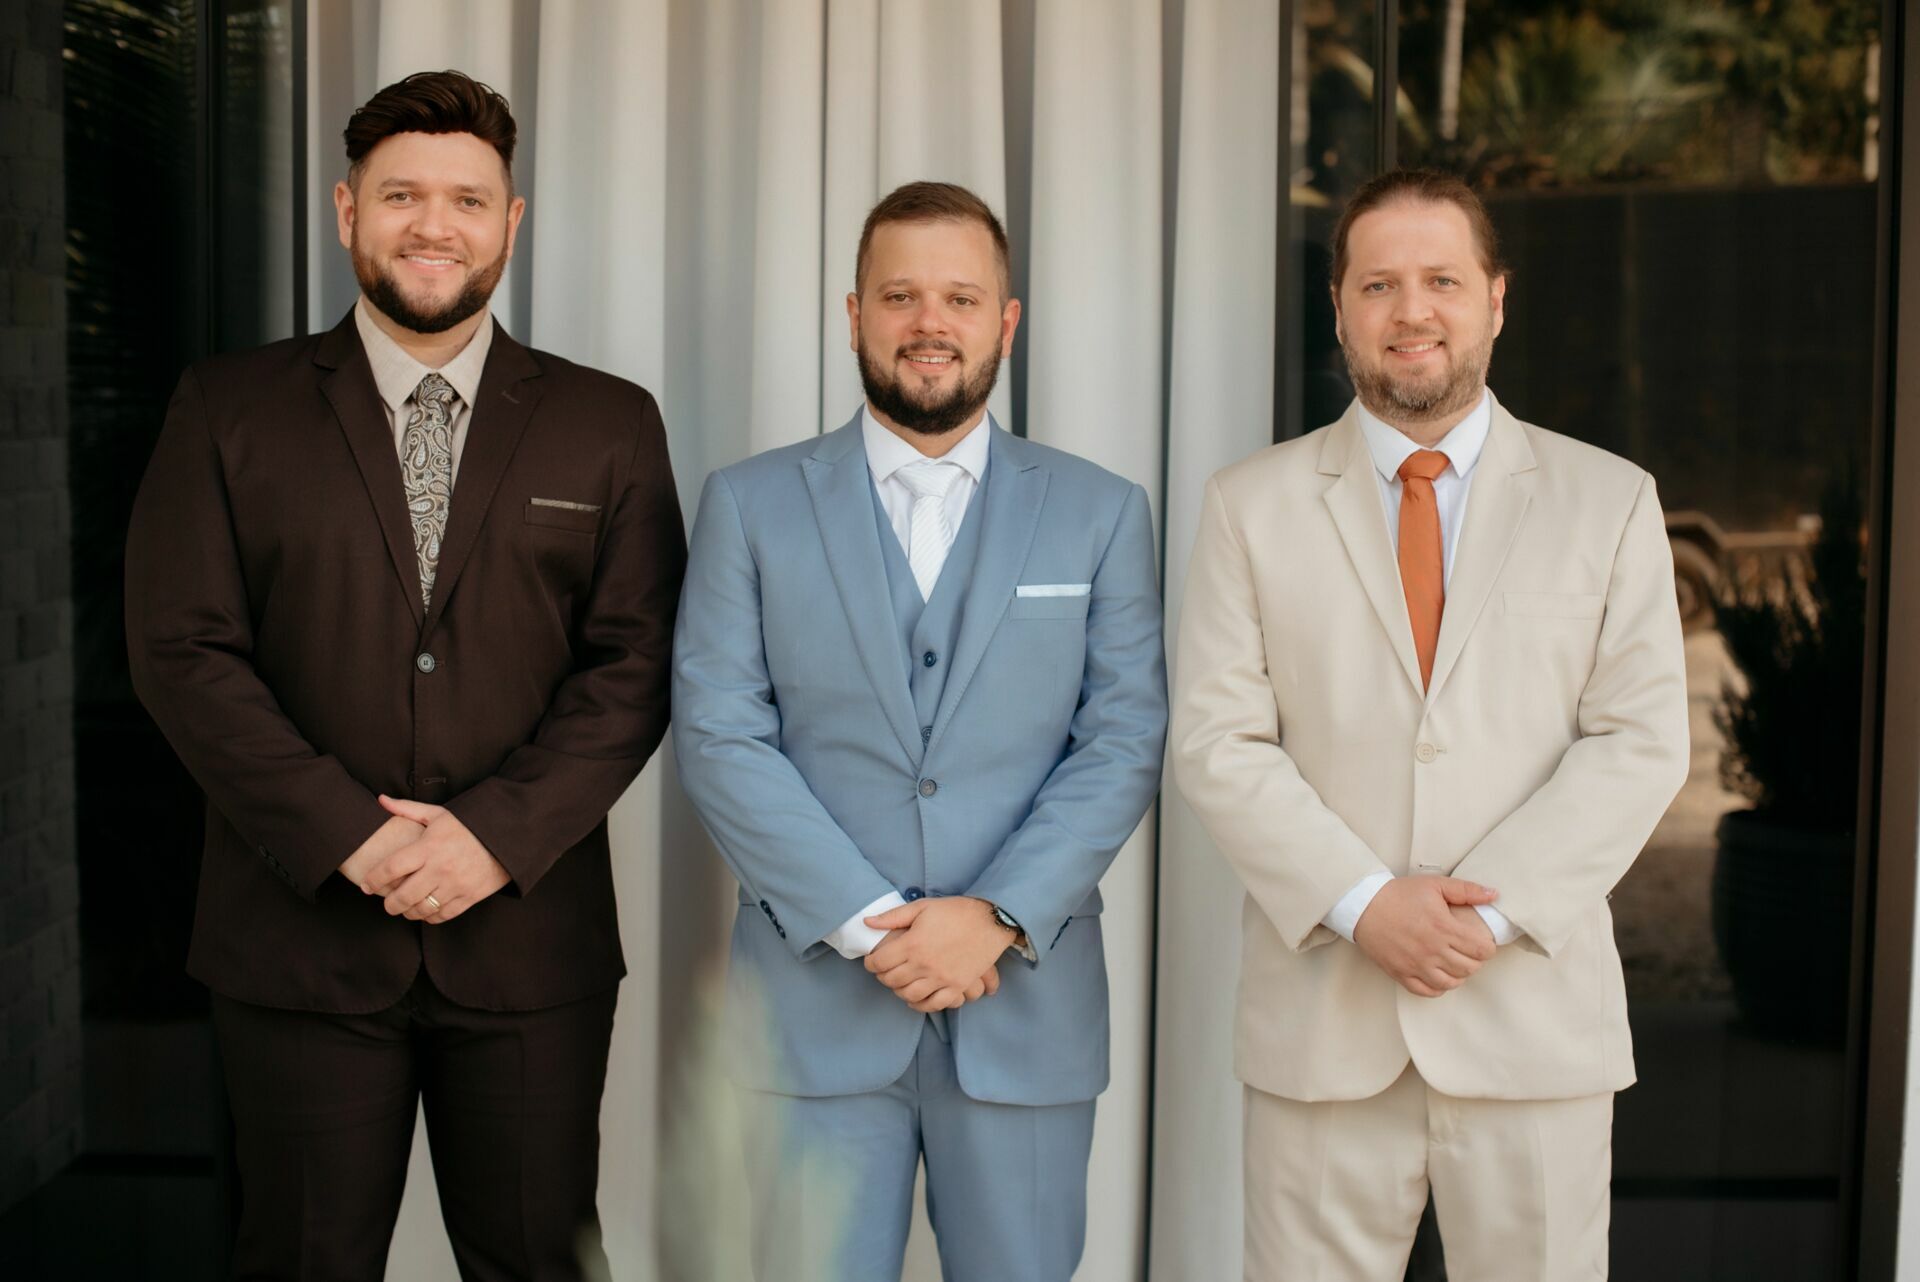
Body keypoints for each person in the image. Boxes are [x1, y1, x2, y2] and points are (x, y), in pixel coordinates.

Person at [124, 69, 685, 1280]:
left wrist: (489, 836)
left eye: (468, 200)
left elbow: (634, 663)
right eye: (402, 195)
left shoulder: (610, 422)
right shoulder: (226, 409)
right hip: (298, 941)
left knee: (542, 1258)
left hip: (528, 945)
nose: (436, 225)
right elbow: (183, 650)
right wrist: (348, 835)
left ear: (511, 223)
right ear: (346, 210)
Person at [1171, 167, 1690, 1281]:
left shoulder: (1612, 500)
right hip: (1322, 1033)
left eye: (1442, 279)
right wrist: (1364, 905)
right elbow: (1218, 742)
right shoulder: (1245, 506)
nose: (1413, 311)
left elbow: (1641, 740)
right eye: (1381, 283)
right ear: (1340, 306)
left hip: (1535, 1029)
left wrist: (1480, 921)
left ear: (1496, 299)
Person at [671, 180, 1167, 1282]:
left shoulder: (1100, 511)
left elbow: (1124, 736)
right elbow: (719, 733)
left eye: (958, 296)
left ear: (1006, 319)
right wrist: (867, 923)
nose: (928, 322)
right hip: (813, 1010)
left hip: (1025, 1008)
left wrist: (991, 914)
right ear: (854, 314)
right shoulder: (750, 504)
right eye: (900, 295)